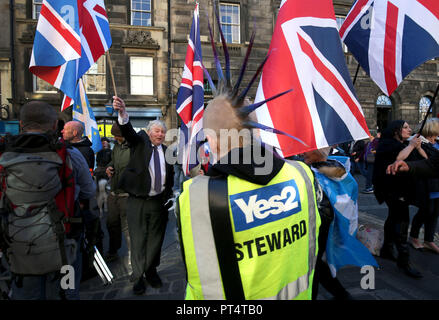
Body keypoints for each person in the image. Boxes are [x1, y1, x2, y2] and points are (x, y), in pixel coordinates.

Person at [0, 101, 96, 300]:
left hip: (19, 243)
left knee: (26, 293)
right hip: (64, 243)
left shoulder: (4, 155)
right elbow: (89, 191)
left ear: (20, 124)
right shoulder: (69, 153)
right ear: (55, 125)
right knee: (66, 292)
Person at [112, 97, 174, 295]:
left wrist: (169, 196)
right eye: (157, 131)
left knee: (156, 240)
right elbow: (128, 132)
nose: (161, 134)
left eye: (163, 132)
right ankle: (138, 276)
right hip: (137, 202)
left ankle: (151, 271)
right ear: (149, 133)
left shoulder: (167, 152)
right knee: (138, 240)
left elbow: (170, 176)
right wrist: (122, 113)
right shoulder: (140, 143)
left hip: (158, 203)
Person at [372, 120, 426, 278]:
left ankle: (387, 249)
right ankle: (404, 261)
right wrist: (410, 146)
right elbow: (398, 157)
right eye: (405, 127)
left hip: (400, 189)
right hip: (392, 189)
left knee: (393, 217)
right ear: (396, 130)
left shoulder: (401, 143)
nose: (409, 130)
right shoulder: (388, 144)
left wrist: (418, 146)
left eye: (409, 127)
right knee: (402, 222)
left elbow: (425, 159)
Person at [302, 147, 353, 300]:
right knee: (315, 261)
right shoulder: (336, 166)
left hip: (319, 223)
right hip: (323, 221)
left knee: (313, 264)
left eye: (307, 150)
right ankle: (341, 294)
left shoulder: (315, 171)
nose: (303, 152)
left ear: (319, 152)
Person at [407, 119, 439, 254]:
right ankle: (414, 237)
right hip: (426, 185)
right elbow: (426, 163)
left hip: (437, 185)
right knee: (425, 212)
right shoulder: (421, 144)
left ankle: (429, 240)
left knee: (435, 214)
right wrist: (419, 148)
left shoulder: (437, 143)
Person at [104, 124, 132, 266]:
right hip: (114, 192)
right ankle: (113, 250)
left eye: (116, 135)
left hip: (127, 194)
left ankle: (132, 254)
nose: (114, 138)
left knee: (127, 226)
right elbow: (113, 162)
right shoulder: (116, 146)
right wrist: (109, 167)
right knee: (111, 223)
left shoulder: (133, 147)